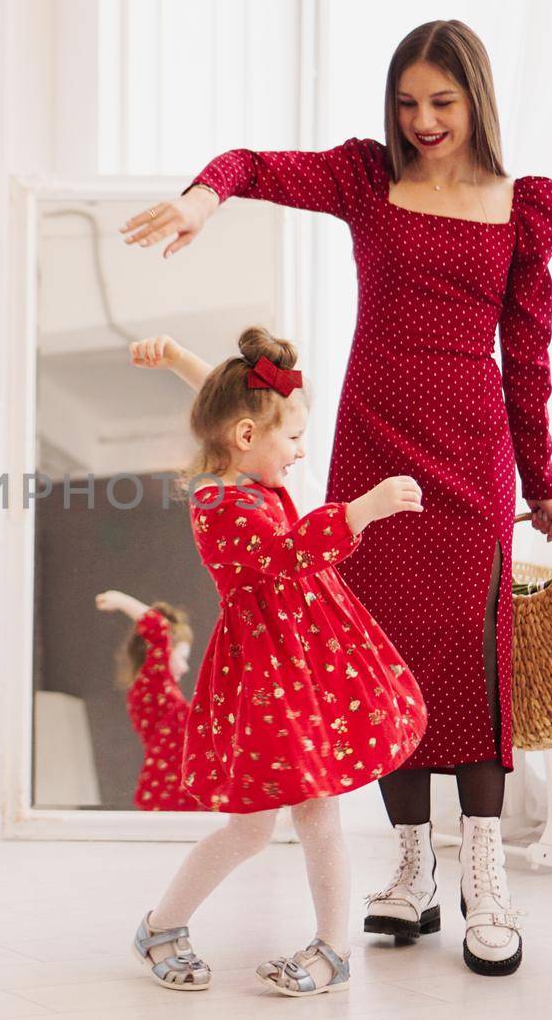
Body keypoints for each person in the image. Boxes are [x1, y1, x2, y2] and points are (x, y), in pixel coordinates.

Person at [122, 18, 552, 979]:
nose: (422, 121)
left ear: (477, 99)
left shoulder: (521, 207)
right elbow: (254, 162)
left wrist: (542, 483)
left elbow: (526, 358)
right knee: (377, 651)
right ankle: (411, 873)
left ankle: (485, 876)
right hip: (375, 446)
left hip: (472, 454)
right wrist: (207, 199)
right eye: (407, 102)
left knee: (474, 658)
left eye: (441, 102)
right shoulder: (369, 178)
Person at [130, 326, 425, 997]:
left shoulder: (238, 461)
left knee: (315, 810)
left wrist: (179, 358)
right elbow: (288, 551)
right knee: (252, 828)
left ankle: (331, 946)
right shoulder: (220, 503)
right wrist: (362, 510)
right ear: (245, 440)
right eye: (291, 439)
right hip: (269, 679)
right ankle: (162, 926)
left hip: (299, 662)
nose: (299, 450)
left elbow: (239, 407)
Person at [94, 590, 198, 812]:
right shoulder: (154, 684)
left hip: (177, 793)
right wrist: (121, 601)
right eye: (182, 657)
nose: (186, 667)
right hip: (170, 795)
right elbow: (158, 628)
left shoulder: (161, 691)